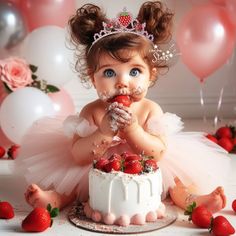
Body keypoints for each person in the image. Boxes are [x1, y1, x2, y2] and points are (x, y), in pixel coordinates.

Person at [18, 1, 230, 214]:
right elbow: (78, 155)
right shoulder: (92, 112)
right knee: (72, 178)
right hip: (98, 165)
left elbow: (157, 154)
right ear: (93, 79)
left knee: (175, 180)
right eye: (109, 73)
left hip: (146, 165)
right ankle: (54, 199)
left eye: (135, 71)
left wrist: (133, 130)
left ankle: (191, 199)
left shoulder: (149, 110)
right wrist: (104, 131)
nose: (122, 82)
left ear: (151, 75)